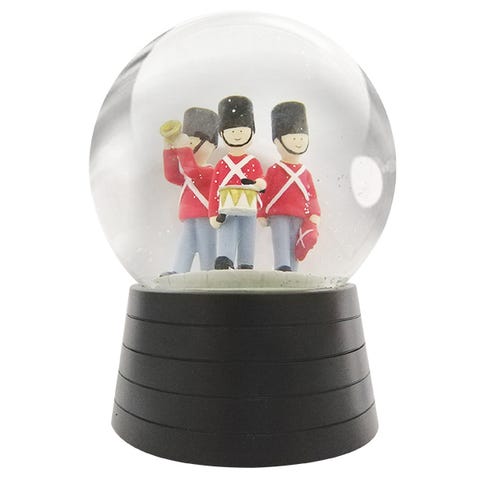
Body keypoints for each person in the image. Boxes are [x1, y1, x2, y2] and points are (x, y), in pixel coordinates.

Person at [258, 101, 320, 271]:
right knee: (280, 239)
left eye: (301, 138)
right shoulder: (274, 170)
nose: (298, 142)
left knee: (295, 242)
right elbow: (265, 192)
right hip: (278, 214)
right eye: (293, 138)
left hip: (299, 215)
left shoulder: (305, 173)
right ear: (278, 141)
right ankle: (282, 266)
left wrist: (314, 213)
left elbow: (311, 196)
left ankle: (292, 269)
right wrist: (261, 213)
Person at [209, 96, 266, 270]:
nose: (237, 135)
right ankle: (225, 258)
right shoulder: (221, 164)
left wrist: (259, 184)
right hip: (227, 208)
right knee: (227, 230)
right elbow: (214, 190)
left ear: (251, 132)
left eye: (241, 130)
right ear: (222, 134)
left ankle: (246, 263)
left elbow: (261, 182)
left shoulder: (253, 162)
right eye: (232, 131)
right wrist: (213, 213)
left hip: (249, 207)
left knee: (248, 235)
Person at [161, 107, 218, 273]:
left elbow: (193, 172)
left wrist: (183, 149)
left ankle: (209, 272)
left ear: (212, 146)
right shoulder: (188, 174)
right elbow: (172, 176)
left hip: (205, 215)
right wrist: (169, 150)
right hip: (188, 217)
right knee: (186, 245)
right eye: (188, 142)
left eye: (193, 142)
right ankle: (179, 271)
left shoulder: (211, 172)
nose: (189, 146)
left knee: (207, 246)